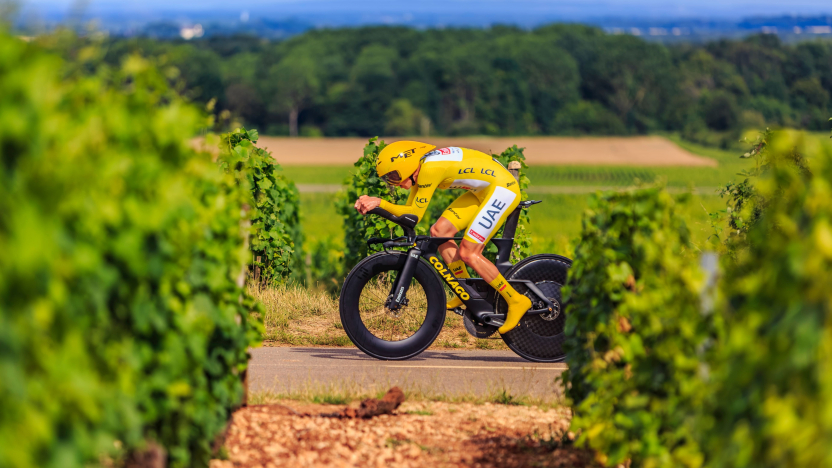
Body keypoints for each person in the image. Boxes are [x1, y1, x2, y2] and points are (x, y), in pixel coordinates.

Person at [353, 140, 532, 334]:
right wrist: (378, 206)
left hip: (502, 190)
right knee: (439, 232)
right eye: (388, 179)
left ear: (407, 165)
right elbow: (408, 213)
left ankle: (516, 300)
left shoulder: (430, 170)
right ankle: (466, 293)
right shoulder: (419, 171)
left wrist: (379, 203)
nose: (393, 182)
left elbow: (414, 215)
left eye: (394, 175)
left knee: (469, 253)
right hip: (484, 190)